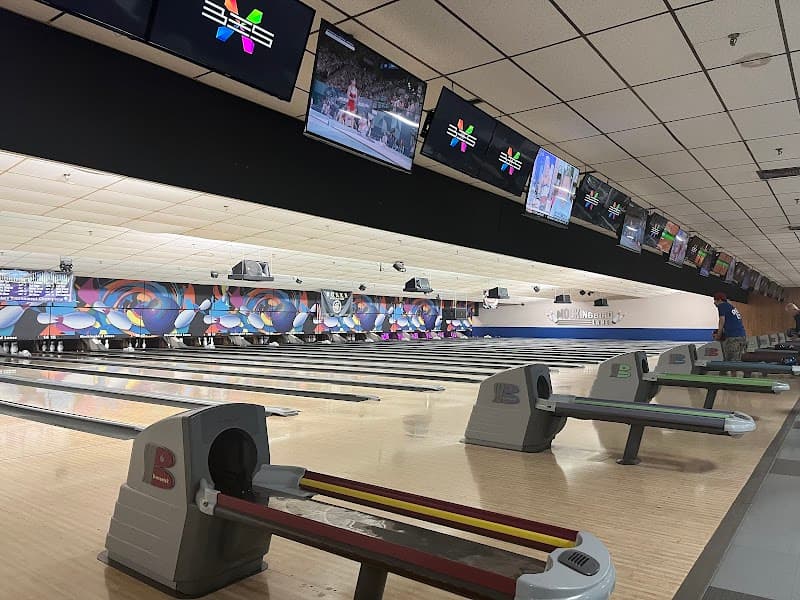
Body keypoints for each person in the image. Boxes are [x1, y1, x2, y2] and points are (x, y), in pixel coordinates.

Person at [713, 292, 747, 360]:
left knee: (730, 362)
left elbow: (722, 320)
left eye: (715, 300)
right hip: (742, 336)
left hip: (734, 338)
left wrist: (718, 335)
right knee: (735, 361)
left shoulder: (722, 306)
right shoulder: (730, 306)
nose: (714, 303)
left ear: (719, 300)